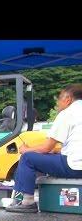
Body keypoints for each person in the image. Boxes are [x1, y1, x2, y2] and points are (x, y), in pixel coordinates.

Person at [6, 84, 82, 213]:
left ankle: (27, 202)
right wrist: (56, 151)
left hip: (74, 166)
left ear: (68, 99)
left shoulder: (68, 113)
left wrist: (26, 149)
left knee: (27, 158)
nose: (58, 102)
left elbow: (46, 148)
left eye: (59, 98)